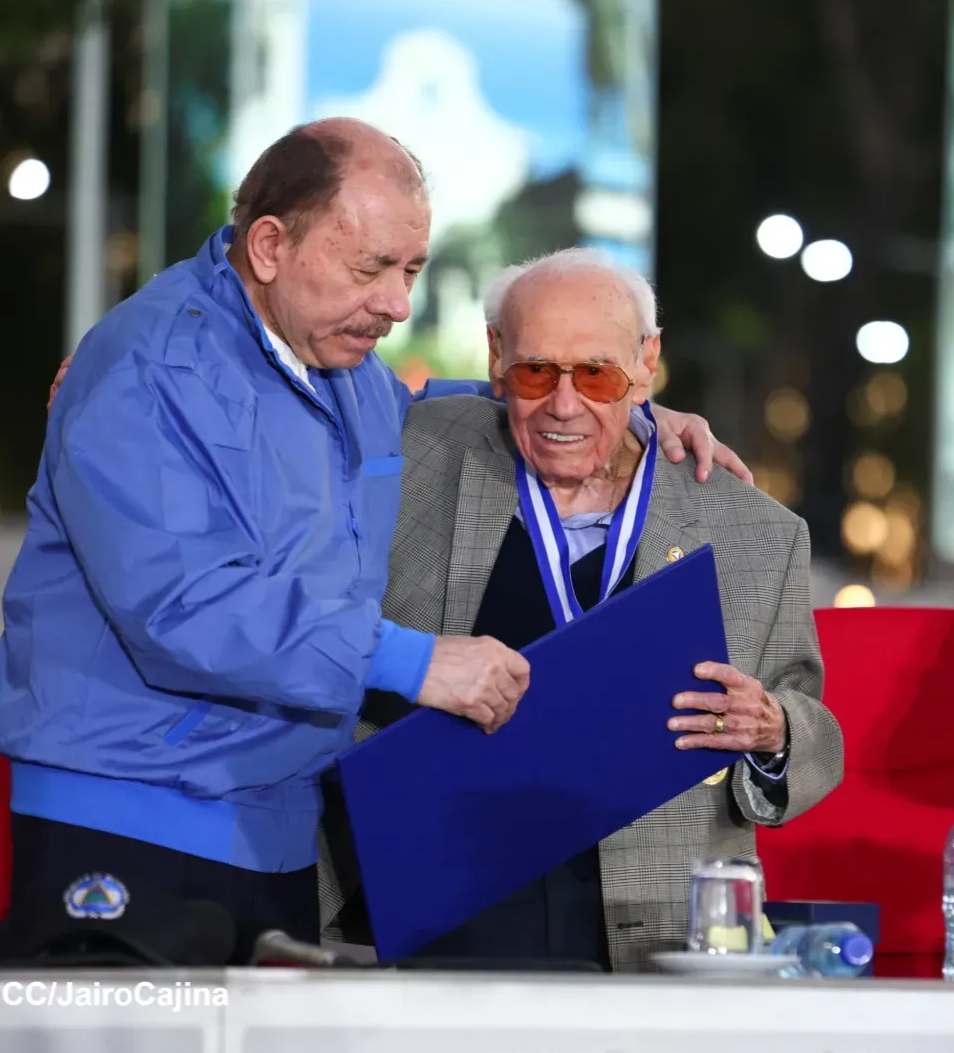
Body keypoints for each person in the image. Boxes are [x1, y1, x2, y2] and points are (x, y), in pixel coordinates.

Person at [0, 118, 747, 964]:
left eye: (411, 269)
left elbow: (440, 415)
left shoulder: (343, 371)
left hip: (275, 834)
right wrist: (415, 662)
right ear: (270, 245)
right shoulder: (147, 368)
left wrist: (620, 406)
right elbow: (187, 606)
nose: (398, 303)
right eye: (371, 268)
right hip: (130, 814)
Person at [318, 249, 843, 972]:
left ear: (647, 362)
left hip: (647, 936)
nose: (565, 405)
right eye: (538, 371)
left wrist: (776, 729)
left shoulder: (756, 531)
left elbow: (813, 726)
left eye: (598, 374)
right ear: (498, 356)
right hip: (425, 919)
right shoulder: (421, 454)